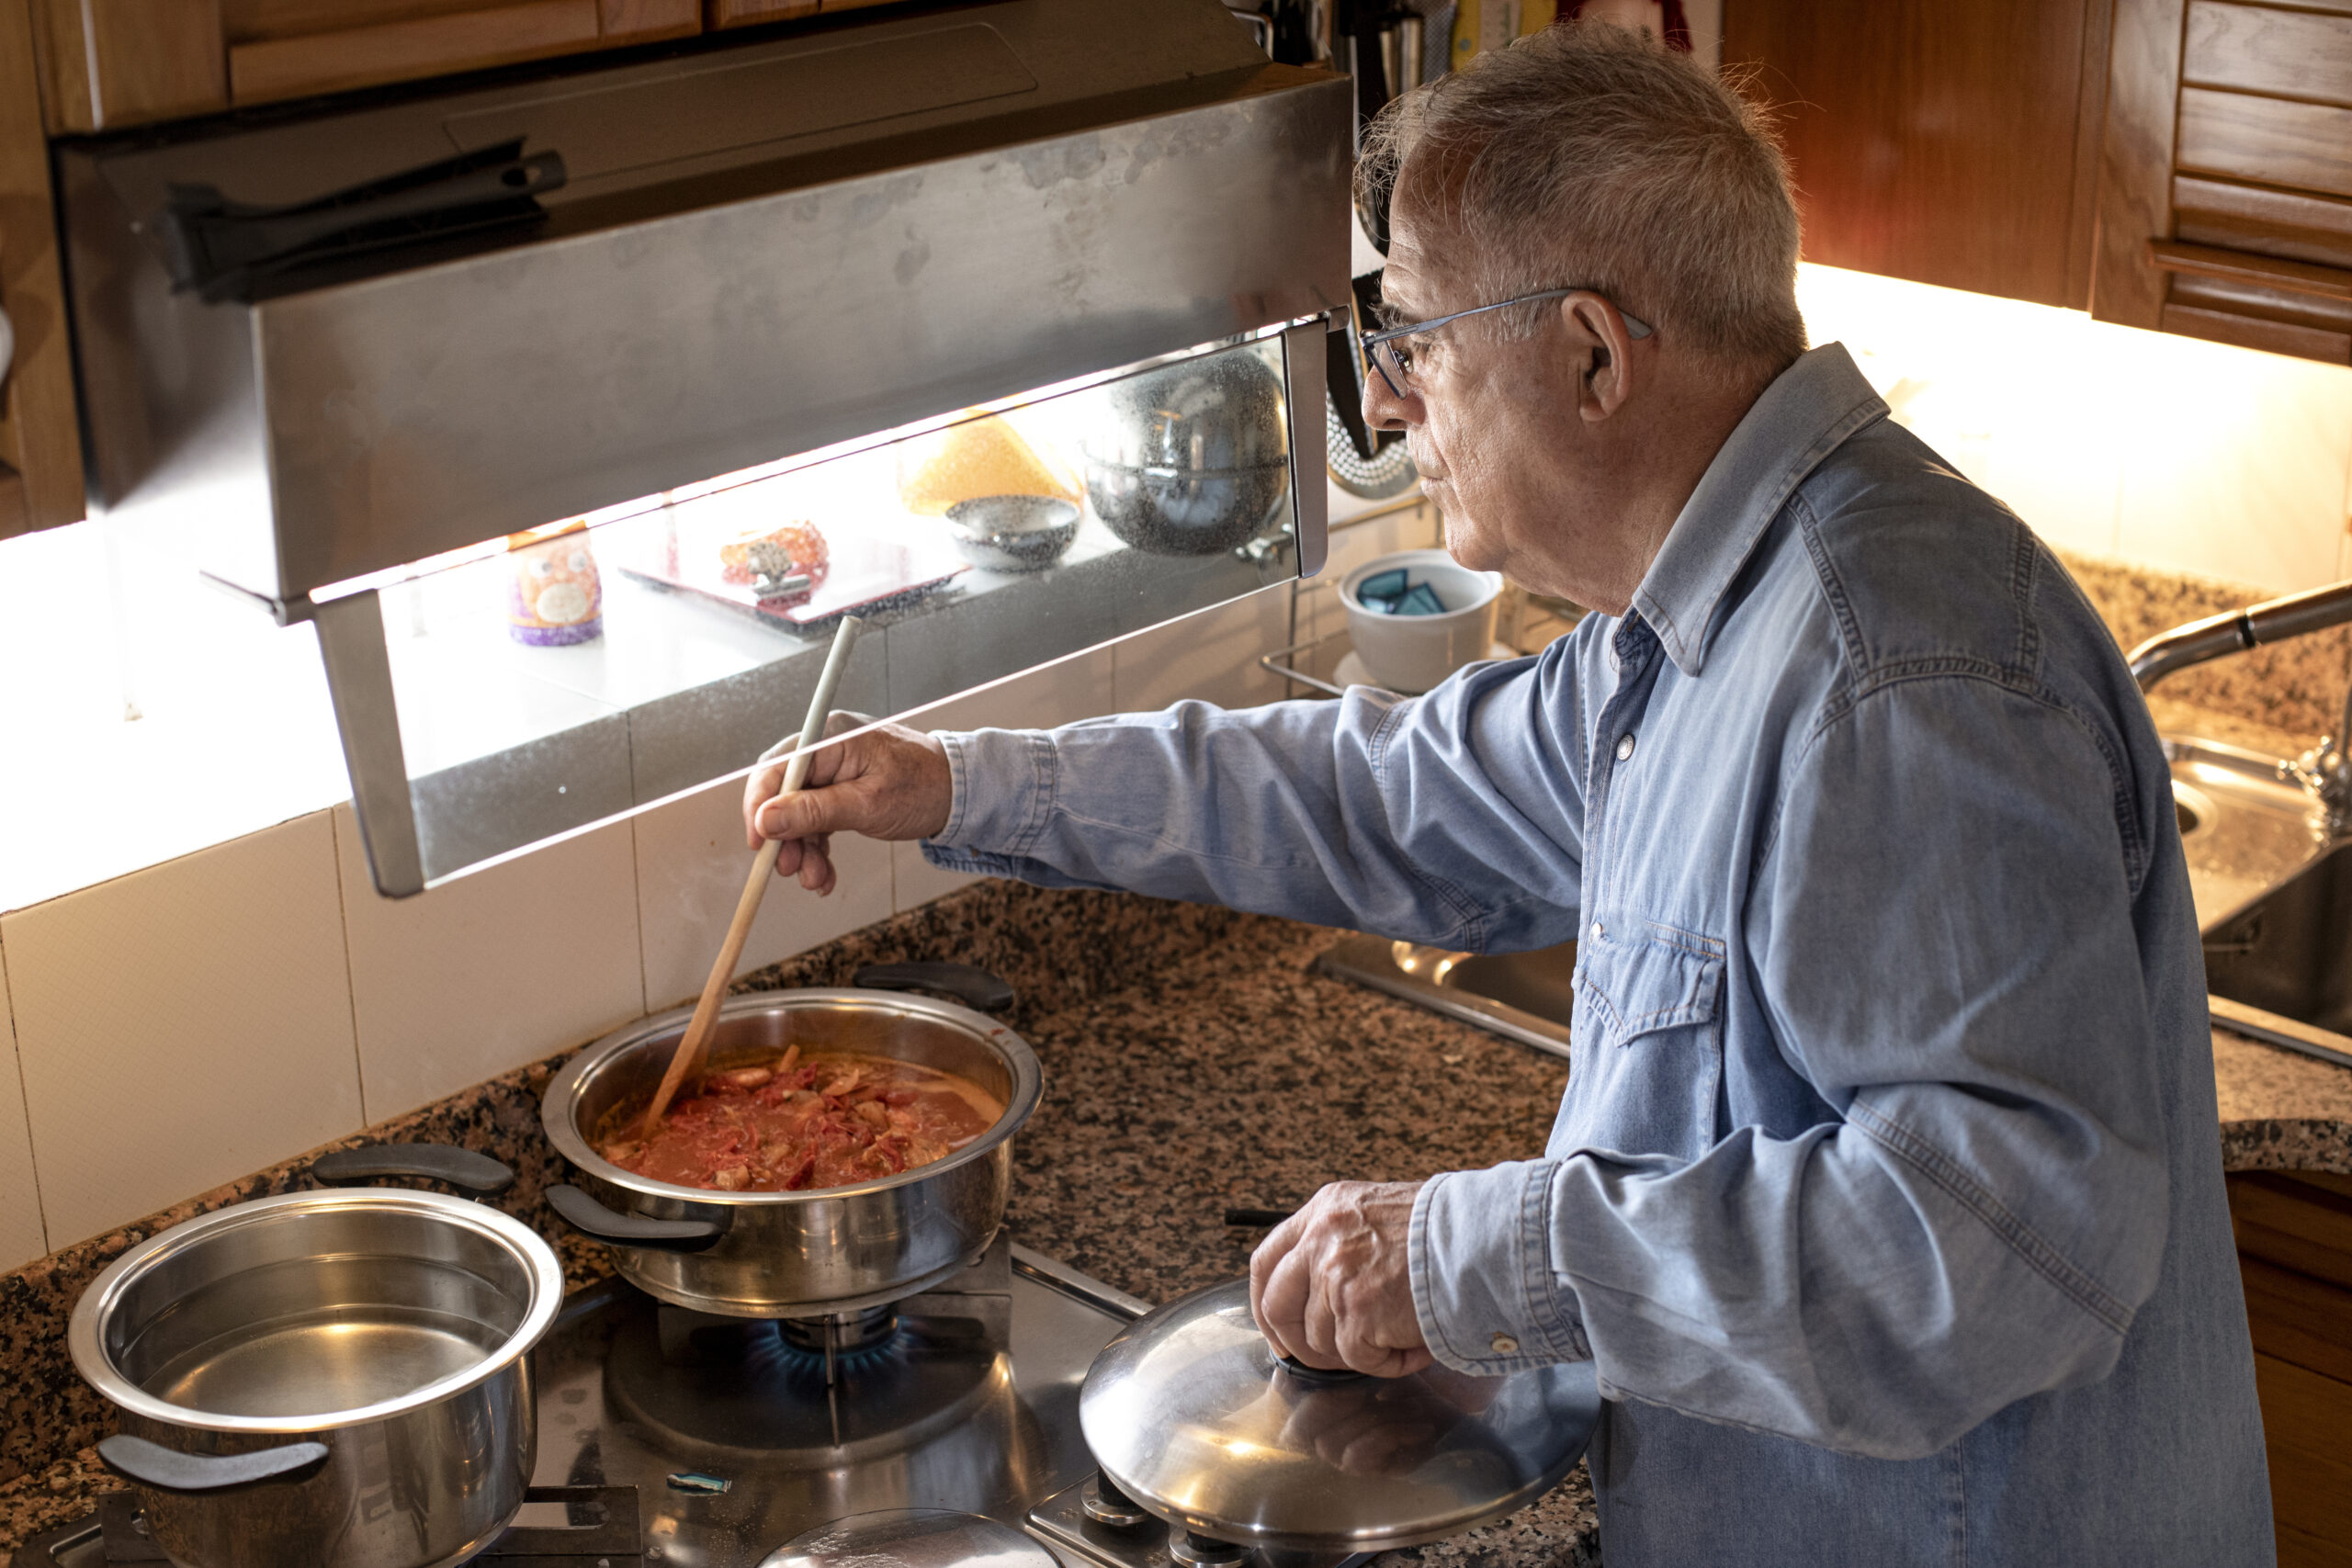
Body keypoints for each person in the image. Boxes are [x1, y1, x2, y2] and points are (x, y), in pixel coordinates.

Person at [742, 25, 2272, 1566]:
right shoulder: (1689, 626)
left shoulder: (1899, 677)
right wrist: (952, 783)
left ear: (1593, 354)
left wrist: (1470, 1254)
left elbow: (1999, 1256)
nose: (1394, 402)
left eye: (1413, 337)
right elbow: (1387, 791)